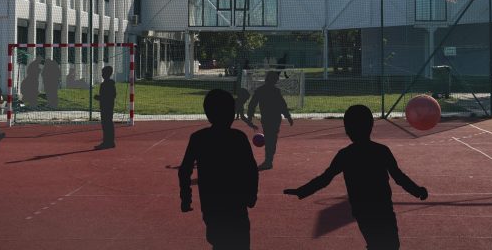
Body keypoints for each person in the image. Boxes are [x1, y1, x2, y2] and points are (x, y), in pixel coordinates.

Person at [284, 104, 428, 250]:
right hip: (382, 208)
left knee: (377, 244)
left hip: (362, 210)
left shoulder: (345, 155)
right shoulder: (381, 151)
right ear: (371, 126)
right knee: (390, 245)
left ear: (347, 130)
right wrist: (417, 191)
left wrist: (303, 191)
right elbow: (399, 177)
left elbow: (325, 179)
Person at [179, 89, 258, 250]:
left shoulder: (198, 138)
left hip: (211, 203)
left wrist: (186, 198)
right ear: (231, 113)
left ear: (208, 114)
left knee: (219, 241)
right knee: (240, 242)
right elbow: (251, 170)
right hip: (236, 203)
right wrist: (251, 195)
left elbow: (184, 170)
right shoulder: (238, 137)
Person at [246, 70, 293, 170]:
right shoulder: (275, 91)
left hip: (268, 118)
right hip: (274, 118)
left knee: (270, 139)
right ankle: (269, 160)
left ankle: (268, 161)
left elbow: (252, 105)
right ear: (274, 80)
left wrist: (250, 117)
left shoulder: (260, 90)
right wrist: (288, 117)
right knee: (271, 139)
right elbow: (282, 105)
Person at [93, 65, 116, 150]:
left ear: (106, 74)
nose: (102, 74)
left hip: (106, 107)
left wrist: (98, 97)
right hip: (109, 106)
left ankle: (107, 142)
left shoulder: (105, 85)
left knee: (106, 125)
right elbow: (113, 95)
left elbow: (109, 96)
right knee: (108, 124)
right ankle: (110, 141)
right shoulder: (110, 84)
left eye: (103, 73)